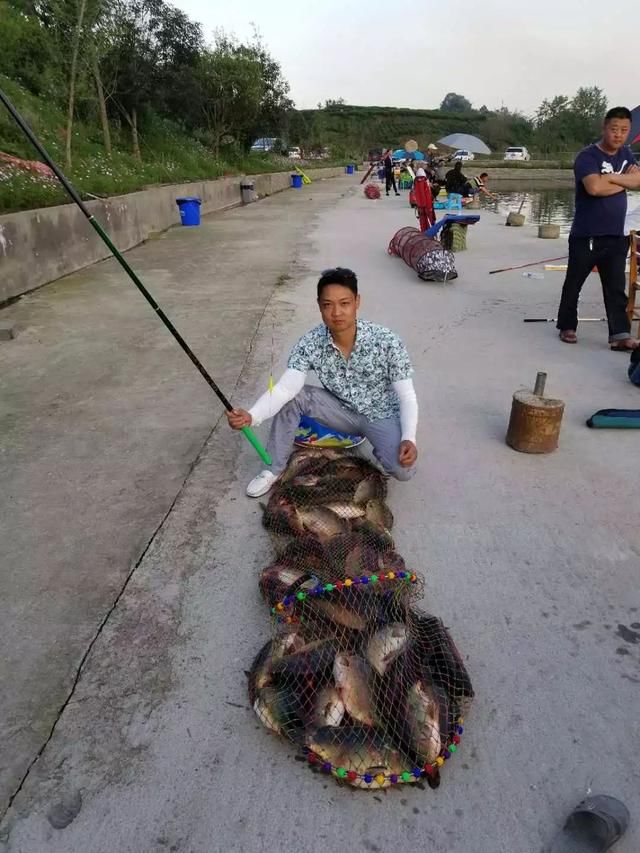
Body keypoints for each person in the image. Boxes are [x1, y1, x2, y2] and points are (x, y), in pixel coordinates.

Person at [226, 267, 419, 497]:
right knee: (293, 396)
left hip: (380, 413)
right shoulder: (310, 343)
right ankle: (273, 469)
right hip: (339, 411)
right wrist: (252, 415)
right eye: (328, 305)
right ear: (319, 306)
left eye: (344, 303)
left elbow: (407, 396)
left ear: (357, 302)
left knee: (404, 471)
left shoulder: (387, 340)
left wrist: (409, 437)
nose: (336, 312)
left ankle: (380, 445)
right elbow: (286, 388)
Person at [557, 106, 640, 351]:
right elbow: (594, 188)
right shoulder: (587, 156)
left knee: (615, 286)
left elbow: (638, 181)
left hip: (616, 233)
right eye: (614, 129)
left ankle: (620, 334)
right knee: (575, 282)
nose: (619, 135)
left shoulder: (627, 153)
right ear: (604, 128)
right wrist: (623, 180)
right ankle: (567, 325)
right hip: (587, 233)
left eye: (624, 130)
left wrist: (610, 179)